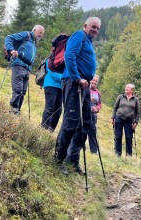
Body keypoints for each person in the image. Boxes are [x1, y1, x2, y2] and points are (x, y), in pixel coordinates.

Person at [54, 17, 101, 175]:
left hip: (85, 85)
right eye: (93, 27)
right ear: (85, 25)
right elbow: (69, 55)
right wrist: (77, 78)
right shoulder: (79, 36)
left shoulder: (88, 41)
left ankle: (72, 159)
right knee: (71, 121)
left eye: (97, 28)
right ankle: (58, 160)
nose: (95, 30)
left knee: (85, 123)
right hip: (74, 82)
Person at [5, 25, 45, 115]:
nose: (41, 35)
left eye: (42, 34)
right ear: (34, 30)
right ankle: (13, 110)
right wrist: (11, 50)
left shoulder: (34, 42)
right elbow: (9, 38)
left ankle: (17, 110)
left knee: (23, 91)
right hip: (19, 64)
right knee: (18, 89)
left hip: (27, 68)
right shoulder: (26, 35)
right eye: (40, 32)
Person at [111, 84, 140, 157]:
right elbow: (115, 107)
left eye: (128, 88)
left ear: (132, 90)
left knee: (129, 138)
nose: (126, 88)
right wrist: (112, 117)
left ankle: (129, 155)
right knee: (118, 136)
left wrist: (136, 122)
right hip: (119, 118)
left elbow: (137, 112)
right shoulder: (120, 97)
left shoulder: (135, 99)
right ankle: (118, 154)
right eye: (126, 87)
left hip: (129, 120)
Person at [40, 58, 62, 131]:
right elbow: (52, 72)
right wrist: (64, 78)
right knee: (50, 108)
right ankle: (44, 128)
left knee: (58, 111)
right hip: (50, 84)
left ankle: (50, 130)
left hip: (61, 87)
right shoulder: (51, 58)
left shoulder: (64, 59)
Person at [88, 75, 102, 153]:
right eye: (93, 80)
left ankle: (93, 150)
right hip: (85, 112)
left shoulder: (98, 92)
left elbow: (99, 104)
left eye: (96, 81)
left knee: (93, 131)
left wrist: (97, 108)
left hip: (93, 114)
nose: (94, 82)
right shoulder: (86, 89)